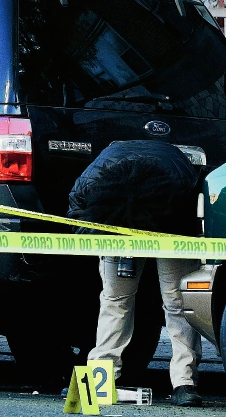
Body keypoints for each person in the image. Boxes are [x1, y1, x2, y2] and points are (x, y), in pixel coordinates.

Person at [69, 140, 203, 408]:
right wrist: (108, 236)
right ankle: (100, 379)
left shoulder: (178, 191)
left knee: (176, 300)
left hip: (168, 221)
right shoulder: (91, 186)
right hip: (116, 217)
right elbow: (78, 221)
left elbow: (191, 224)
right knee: (114, 298)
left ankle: (184, 382)